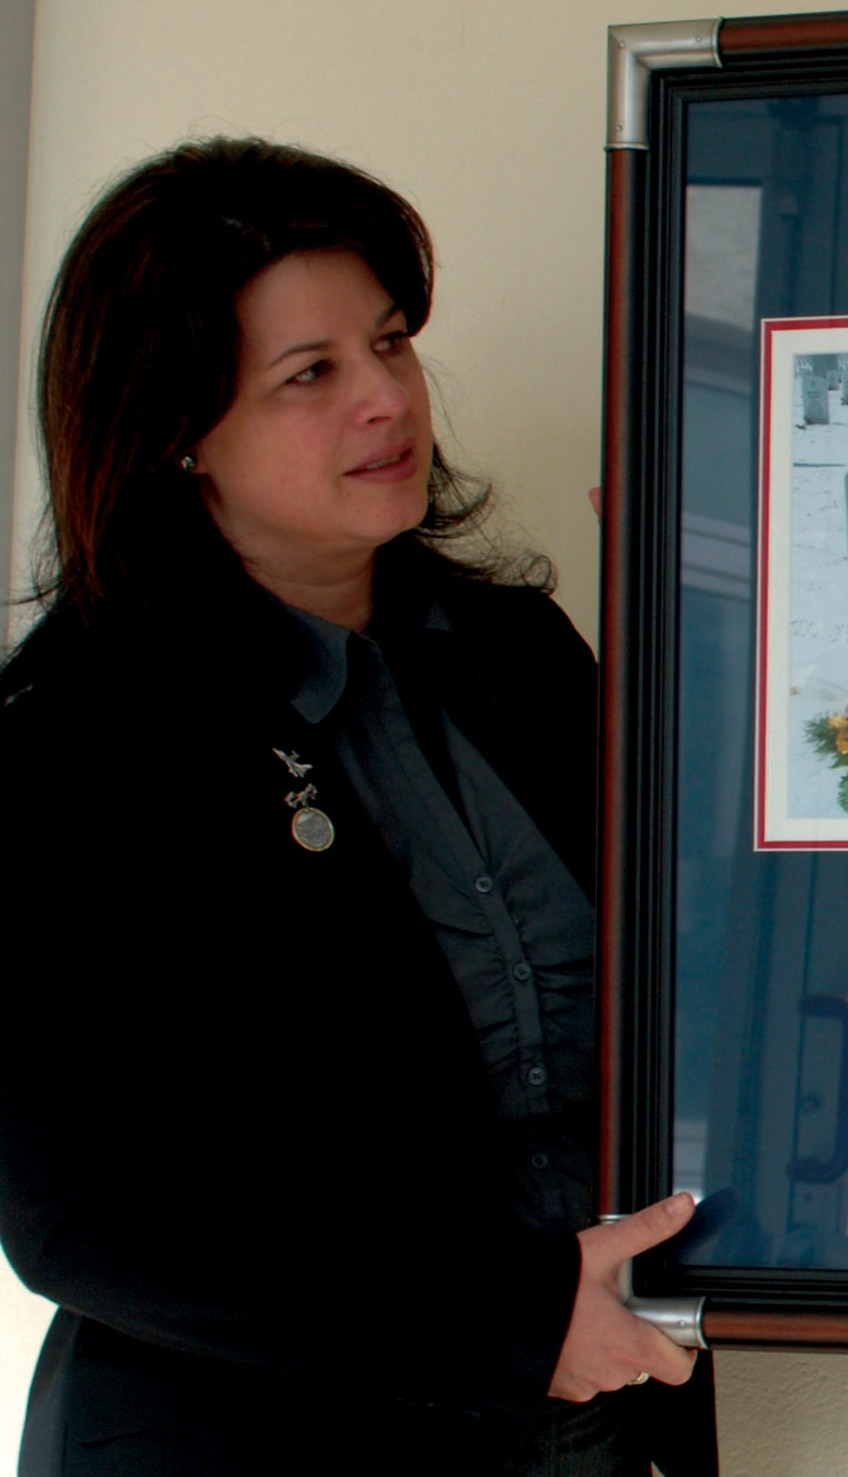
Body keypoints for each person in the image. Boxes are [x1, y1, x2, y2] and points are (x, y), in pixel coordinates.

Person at [0, 139, 715, 1474]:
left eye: (390, 343)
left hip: (601, 1430)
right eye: (309, 374)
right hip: (259, 1442)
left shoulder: (520, 655)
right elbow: (79, 1216)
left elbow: (684, 986)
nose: (387, 398)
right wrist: (507, 1328)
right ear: (173, 428)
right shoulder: (78, 743)